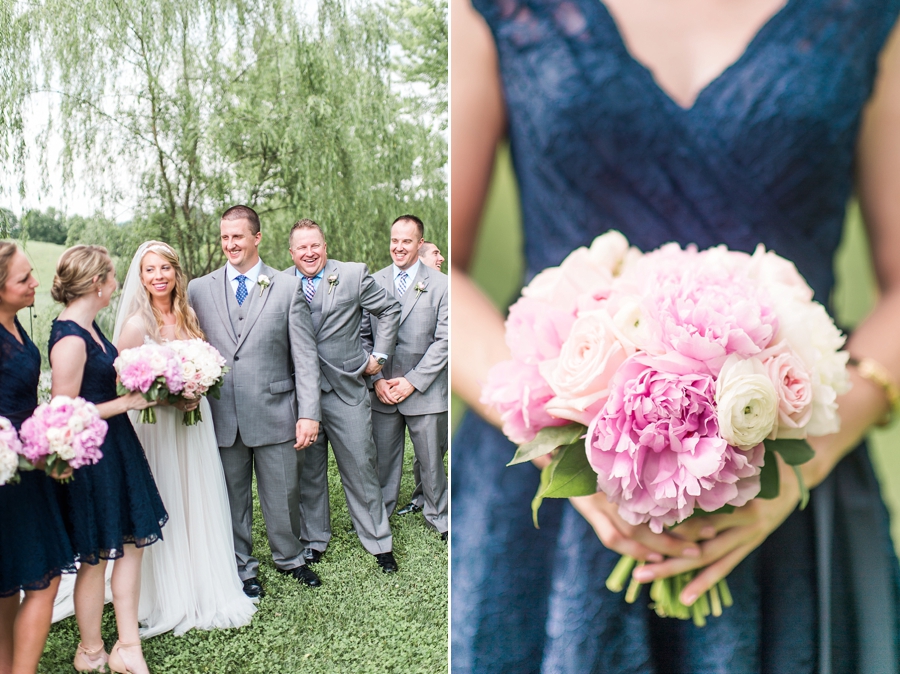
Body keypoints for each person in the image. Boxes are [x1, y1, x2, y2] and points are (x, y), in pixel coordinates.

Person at [451, 0, 900, 672]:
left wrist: (808, 455)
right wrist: (563, 443)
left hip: (788, 499)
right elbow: (432, 270)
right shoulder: (498, 12)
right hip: (545, 508)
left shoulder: (867, 16)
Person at [112, 241, 257, 636]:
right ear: (140, 278)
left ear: (176, 272)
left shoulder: (188, 314)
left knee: (199, 497)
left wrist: (197, 388)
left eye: (165, 268)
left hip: (195, 422)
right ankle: (166, 592)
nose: (158, 276)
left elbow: (205, 365)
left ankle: (205, 580)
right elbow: (120, 384)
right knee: (169, 498)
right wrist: (168, 396)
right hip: (157, 427)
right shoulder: (136, 326)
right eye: (149, 270)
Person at [187, 205, 322, 596]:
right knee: (231, 497)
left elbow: (305, 356)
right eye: (225, 237)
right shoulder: (199, 288)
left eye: (238, 237)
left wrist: (309, 413)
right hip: (222, 413)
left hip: (276, 409)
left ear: (257, 238)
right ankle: (242, 567)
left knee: (283, 492)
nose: (230, 244)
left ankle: (290, 558)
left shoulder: (286, 285)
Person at [49, 245, 167, 674]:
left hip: (117, 447)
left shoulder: (92, 328)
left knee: (133, 545)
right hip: (92, 458)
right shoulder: (69, 339)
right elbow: (62, 415)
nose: (117, 282)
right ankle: (91, 650)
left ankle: (128, 645)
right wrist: (125, 403)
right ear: (97, 283)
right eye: (113, 275)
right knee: (96, 555)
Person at [288, 219, 402, 572]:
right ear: (291, 252)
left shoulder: (352, 275)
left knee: (361, 465)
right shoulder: (278, 284)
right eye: (301, 247)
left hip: (347, 388)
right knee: (308, 471)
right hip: (301, 395)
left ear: (325, 245)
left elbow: (389, 310)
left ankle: (379, 541)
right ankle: (314, 539)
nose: (309, 252)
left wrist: (378, 356)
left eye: (315, 245)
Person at [0, 243, 75, 674]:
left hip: (30, 465)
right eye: (23, 278)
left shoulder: (15, 324)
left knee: (13, 583)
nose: (35, 283)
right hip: (9, 471)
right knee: (40, 582)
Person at [364, 215, 449, 540]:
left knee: (430, 463)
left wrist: (412, 380)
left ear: (419, 243)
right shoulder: (372, 282)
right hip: (382, 389)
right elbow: (361, 336)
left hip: (424, 390)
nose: (399, 247)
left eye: (407, 241)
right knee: (382, 461)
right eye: (394, 241)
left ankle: (438, 516)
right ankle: (380, 517)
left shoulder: (442, 285)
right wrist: (377, 380)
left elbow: (445, 340)